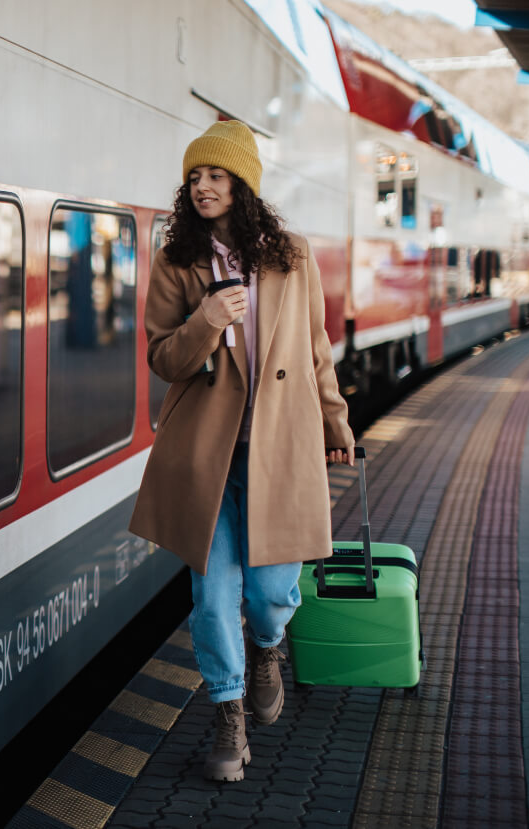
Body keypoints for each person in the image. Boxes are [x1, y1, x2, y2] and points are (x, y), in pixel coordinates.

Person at [129, 120, 354, 782]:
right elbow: (162, 357)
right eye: (194, 176)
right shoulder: (176, 261)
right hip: (207, 457)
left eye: (215, 175)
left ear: (243, 182)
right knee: (211, 593)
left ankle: (267, 648)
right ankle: (228, 716)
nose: (201, 186)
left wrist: (336, 420)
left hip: (278, 452)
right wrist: (208, 320)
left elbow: (315, 349)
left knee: (271, 588)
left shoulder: (292, 255)